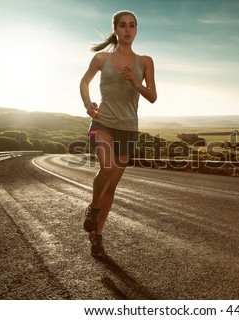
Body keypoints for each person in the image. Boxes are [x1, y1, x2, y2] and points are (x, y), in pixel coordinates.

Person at [79, 10, 157, 257]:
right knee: (108, 168)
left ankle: (97, 237)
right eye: (122, 25)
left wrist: (136, 83)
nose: (127, 30)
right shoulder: (102, 59)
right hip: (103, 123)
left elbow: (152, 96)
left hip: (128, 129)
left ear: (136, 30)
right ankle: (93, 209)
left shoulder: (145, 62)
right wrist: (87, 103)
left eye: (132, 26)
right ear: (115, 29)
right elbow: (84, 82)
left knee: (111, 187)